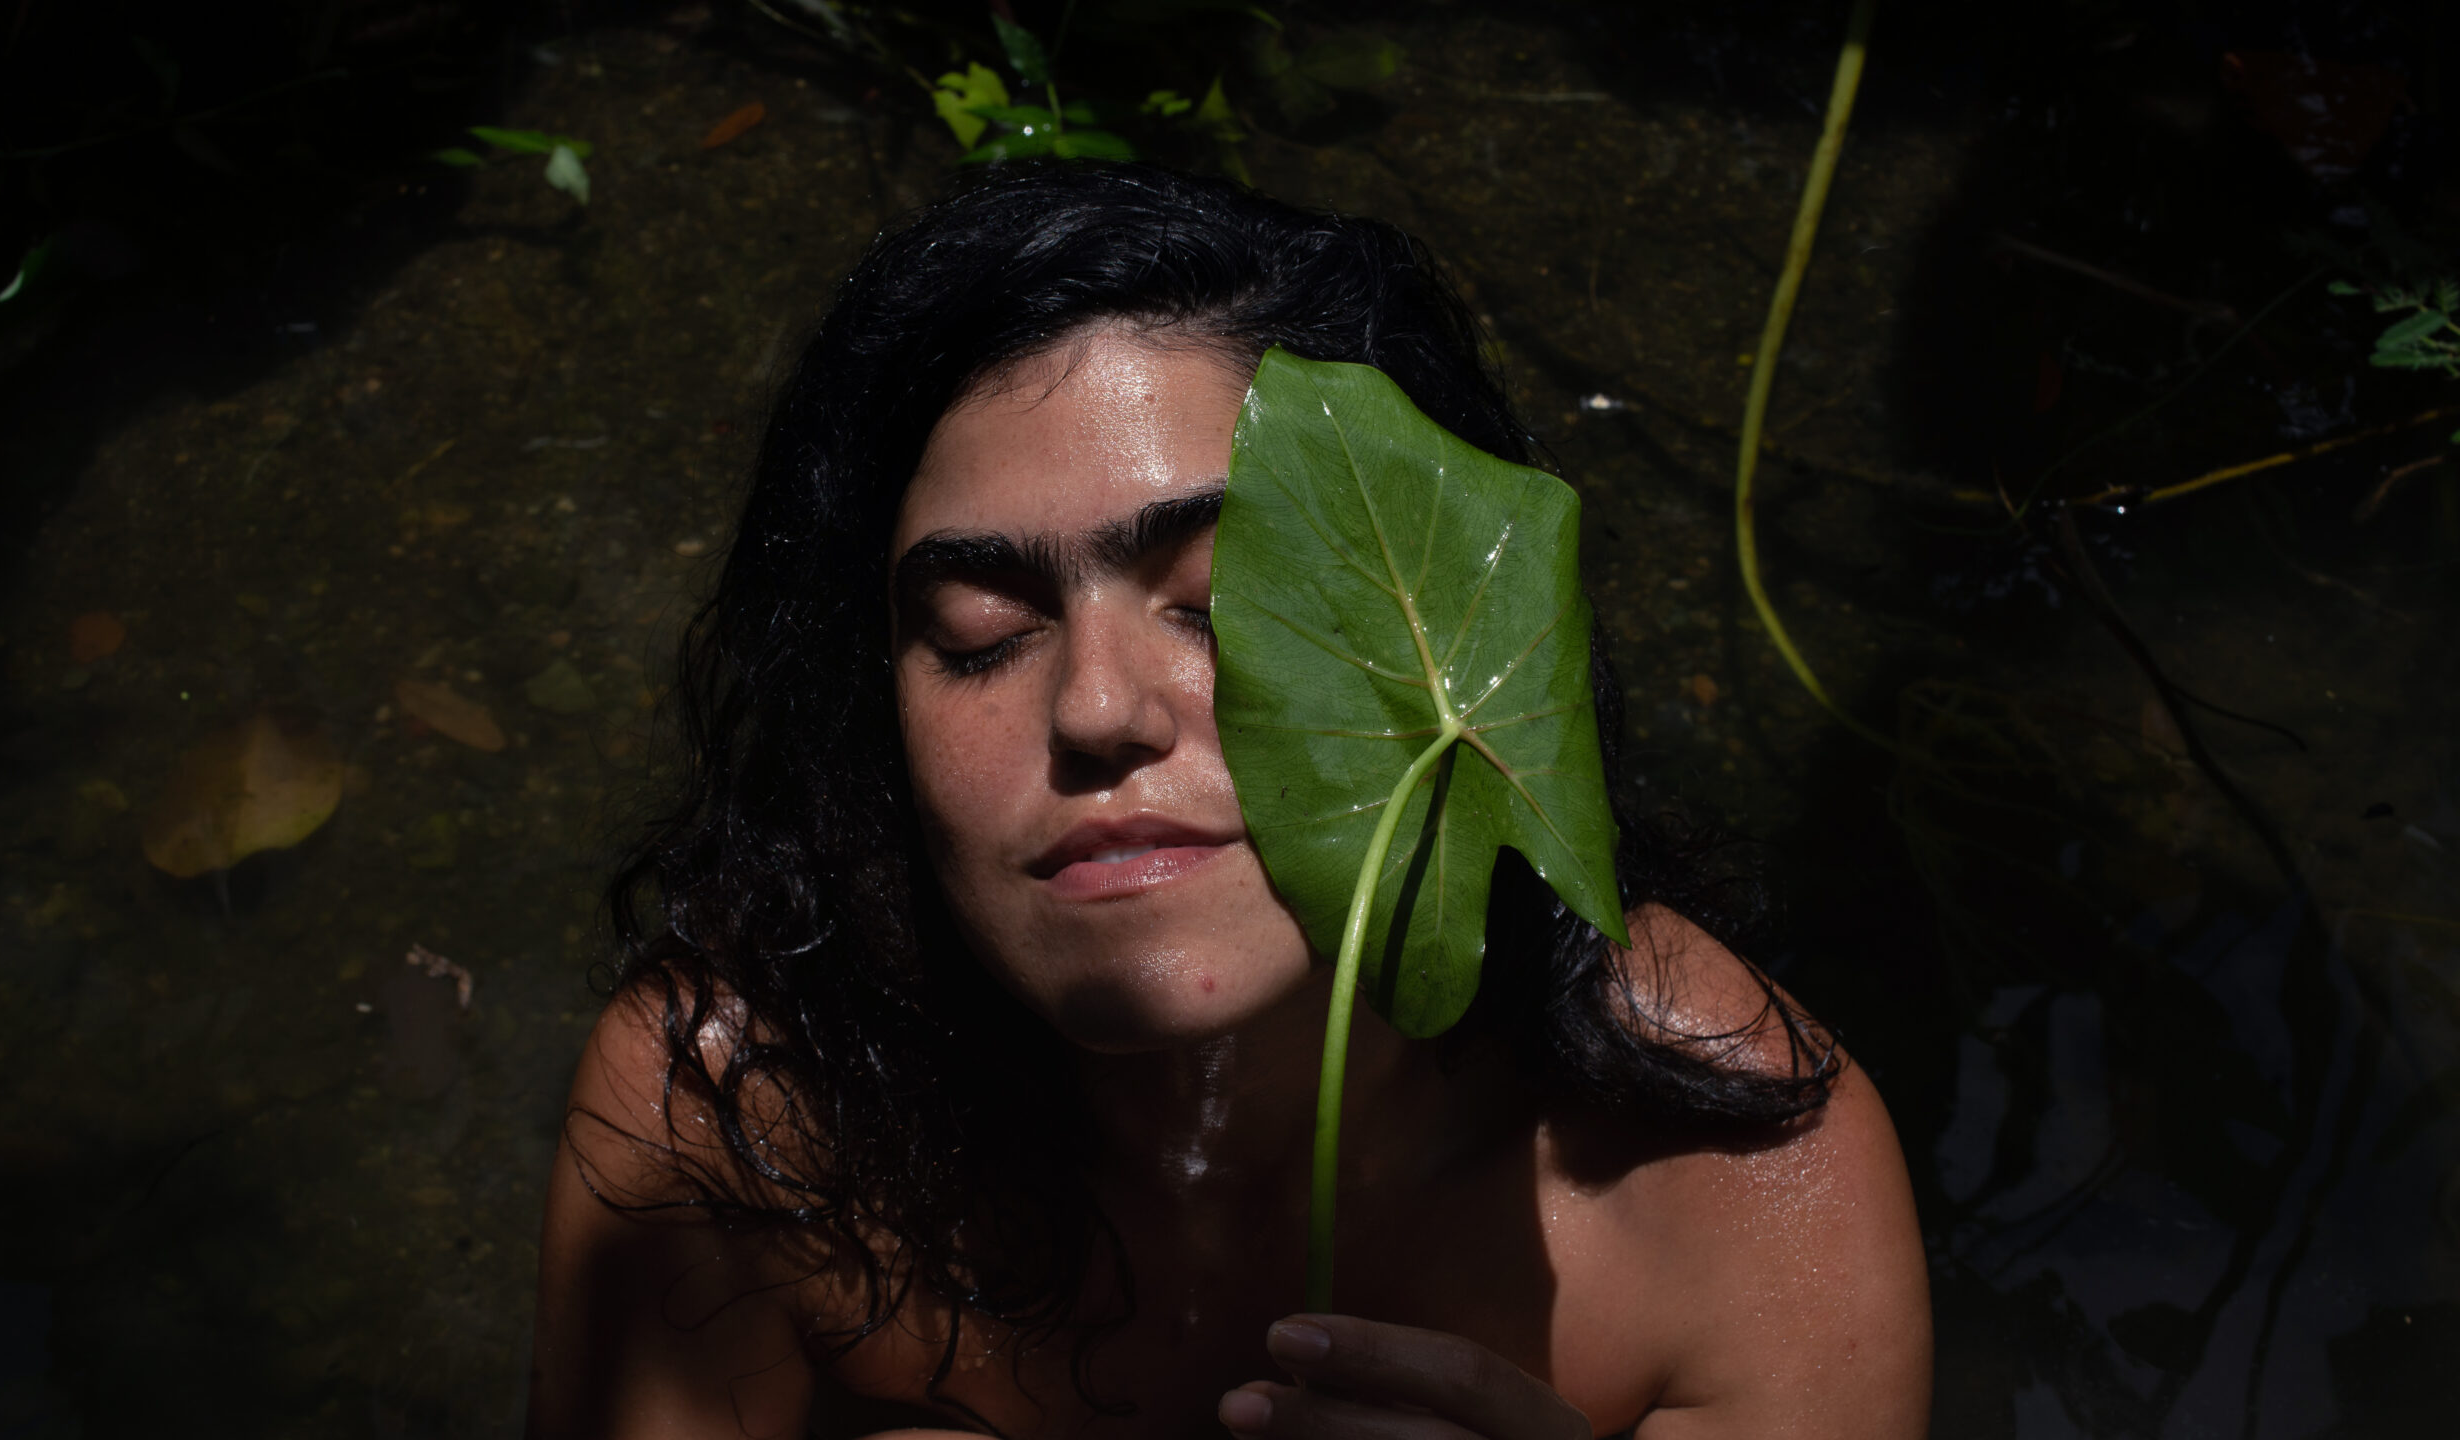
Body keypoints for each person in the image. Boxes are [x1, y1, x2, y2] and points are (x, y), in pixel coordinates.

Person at [529, 163, 1931, 1440]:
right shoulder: (737, 1115)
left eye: (1219, 602)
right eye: (975, 633)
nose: (1095, 707)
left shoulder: (1730, 1175)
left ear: (1445, 640)